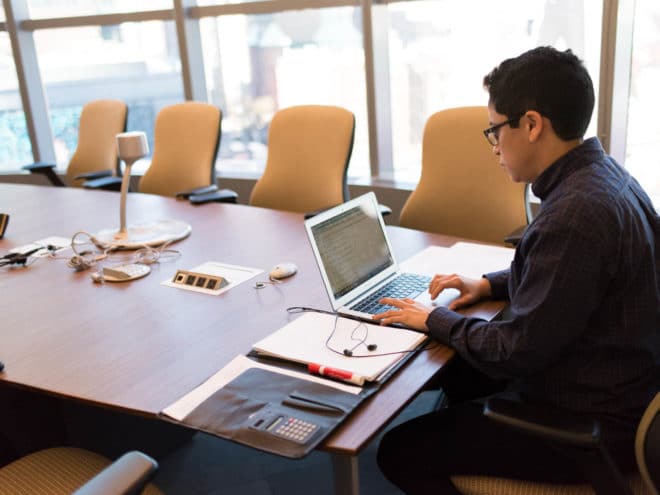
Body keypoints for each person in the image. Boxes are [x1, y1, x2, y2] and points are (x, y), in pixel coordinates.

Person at [373, 46, 660, 494]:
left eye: (494, 131)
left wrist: (434, 319)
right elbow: (571, 278)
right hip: (617, 386)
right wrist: (488, 284)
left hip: (586, 424)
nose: (493, 148)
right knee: (457, 371)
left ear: (530, 125)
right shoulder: (606, 179)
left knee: (399, 450)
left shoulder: (575, 214)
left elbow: (517, 349)